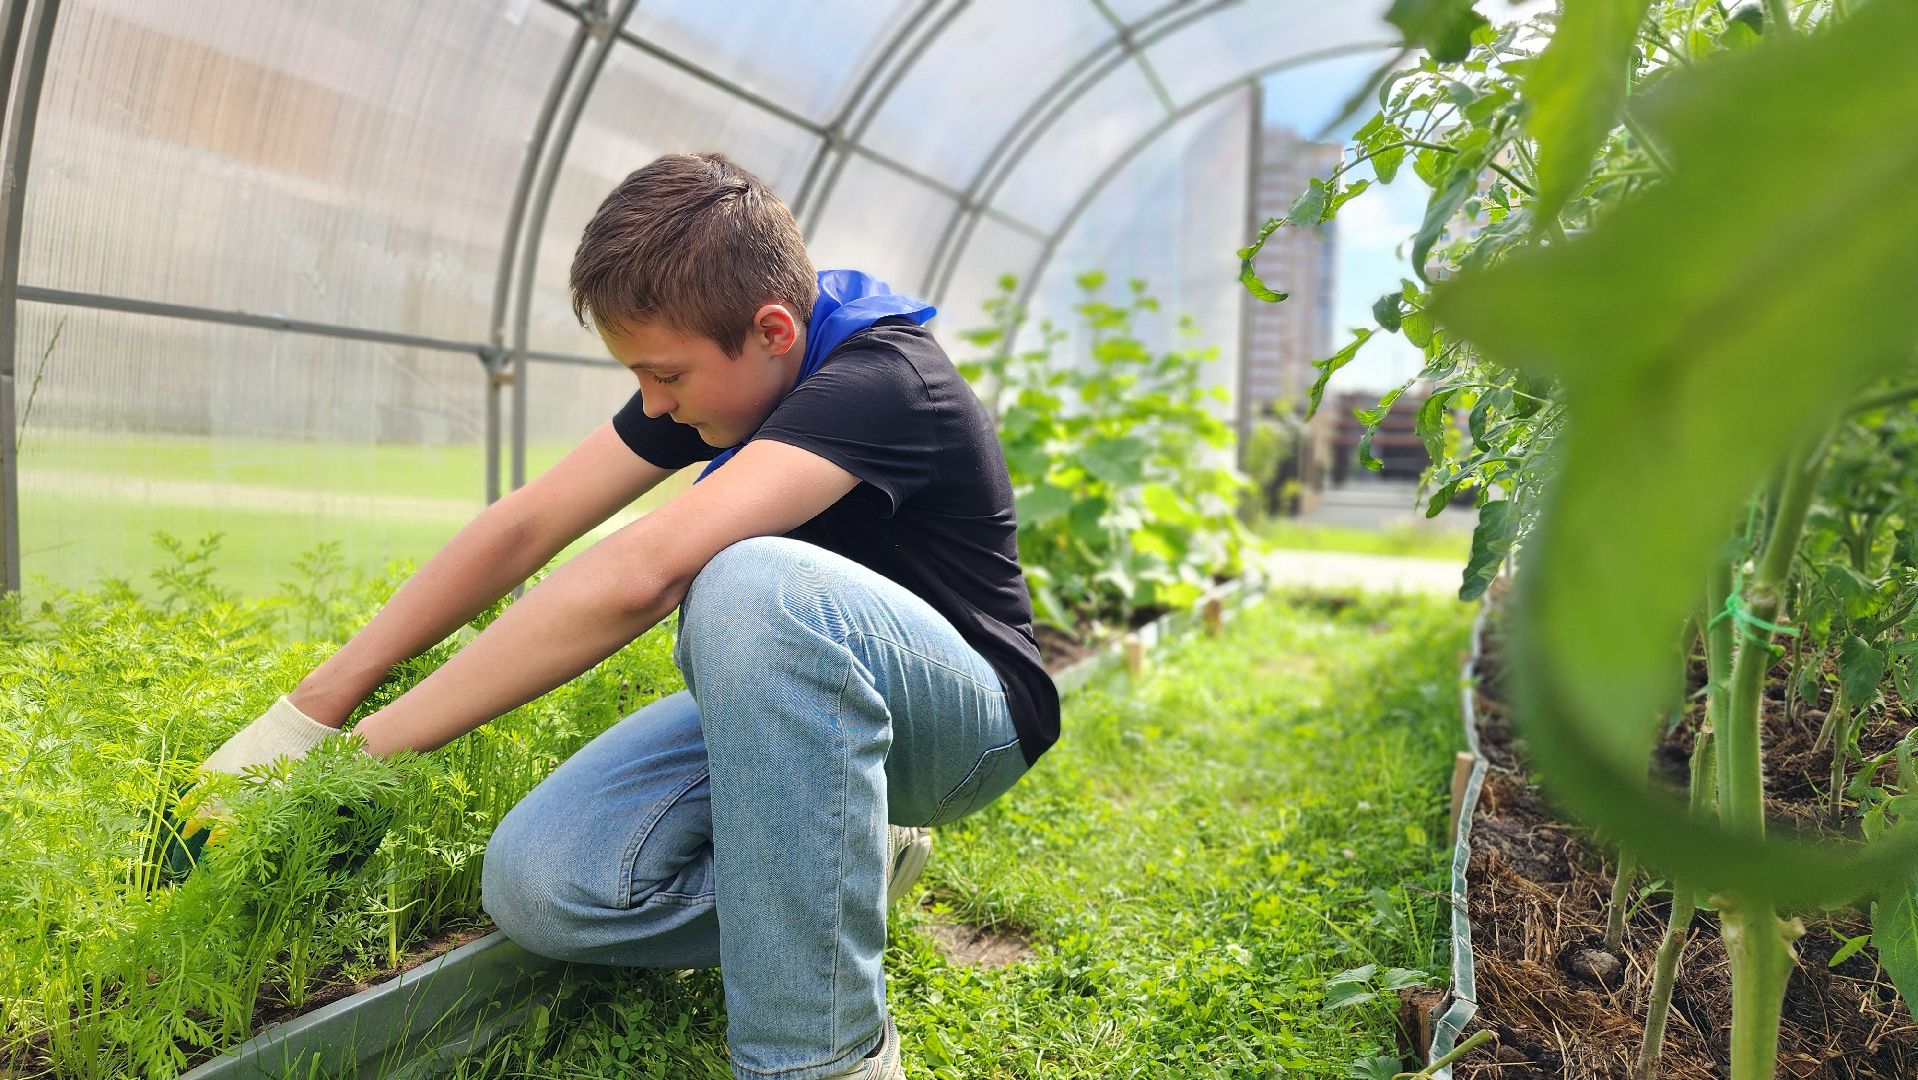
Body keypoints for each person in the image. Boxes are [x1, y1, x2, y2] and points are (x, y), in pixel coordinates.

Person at [190, 151, 1060, 1080]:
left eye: (665, 377)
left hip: (969, 720)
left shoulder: (883, 379)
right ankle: (855, 854)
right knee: (545, 886)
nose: (653, 405)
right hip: (812, 692)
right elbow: (526, 526)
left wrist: (360, 760)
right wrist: (306, 714)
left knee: (749, 582)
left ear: (771, 328)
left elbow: (640, 573)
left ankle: (824, 1060)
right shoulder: (731, 370)